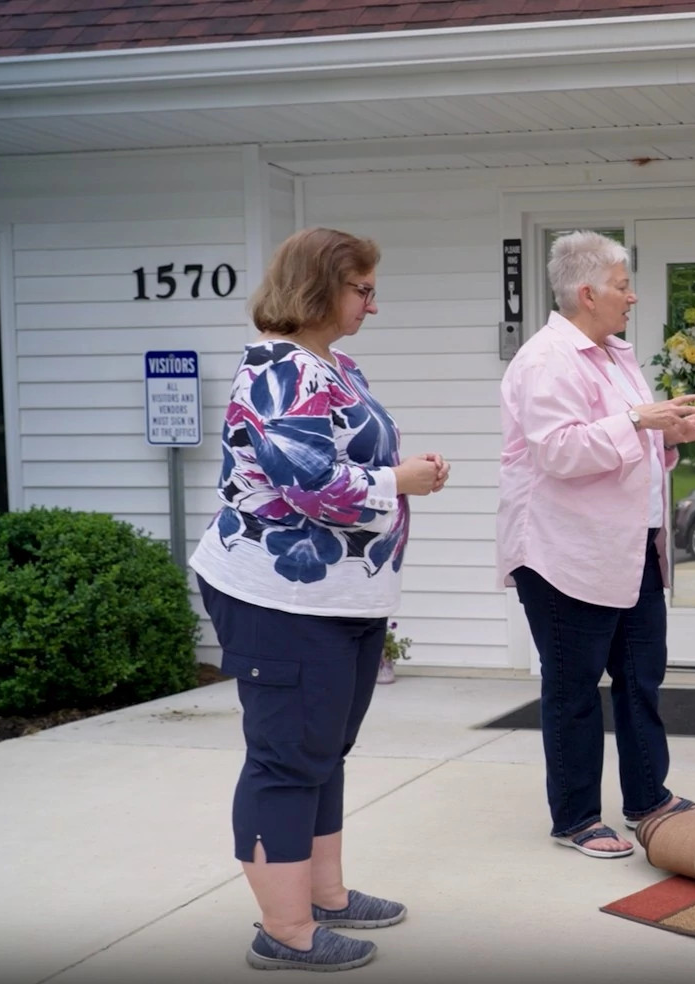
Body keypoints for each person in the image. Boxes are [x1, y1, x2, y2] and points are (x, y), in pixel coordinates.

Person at [191, 227, 447, 972]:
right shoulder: (282, 370)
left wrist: (400, 470)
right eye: (361, 288)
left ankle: (324, 896)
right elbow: (311, 486)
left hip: (338, 600)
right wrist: (403, 481)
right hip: (282, 600)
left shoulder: (329, 364)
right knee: (284, 759)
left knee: (323, 752)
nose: (372, 302)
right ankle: (285, 929)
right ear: (319, 288)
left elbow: (337, 459)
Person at [497, 231, 695, 860]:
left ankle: (648, 797)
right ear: (588, 291)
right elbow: (560, 450)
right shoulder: (546, 359)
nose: (633, 296)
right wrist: (636, 422)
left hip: (630, 548)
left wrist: (670, 430)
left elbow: (631, 438)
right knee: (573, 691)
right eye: (624, 285)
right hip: (563, 553)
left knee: (639, 679)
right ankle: (574, 817)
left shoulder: (616, 354)